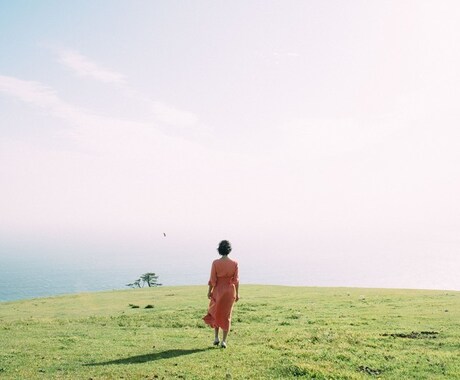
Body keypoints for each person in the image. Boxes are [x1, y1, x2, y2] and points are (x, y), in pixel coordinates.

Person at [203, 240, 239, 348]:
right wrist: (237, 294)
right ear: (229, 250)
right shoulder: (234, 263)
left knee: (216, 313)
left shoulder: (215, 263)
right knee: (226, 315)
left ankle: (216, 338)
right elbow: (236, 280)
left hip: (218, 290)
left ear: (219, 249)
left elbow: (212, 280)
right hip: (229, 291)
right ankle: (224, 341)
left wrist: (209, 291)